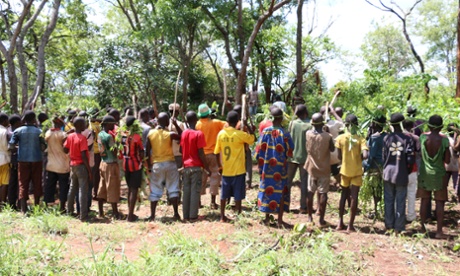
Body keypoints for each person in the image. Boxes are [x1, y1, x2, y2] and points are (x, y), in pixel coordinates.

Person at [257, 107, 294, 227]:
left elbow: (260, 149)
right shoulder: (285, 133)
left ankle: (267, 217)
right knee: (280, 191)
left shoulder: (265, 132)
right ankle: (279, 219)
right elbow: (290, 149)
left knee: (268, 189)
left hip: (267, 167)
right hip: (280, 167)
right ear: (282, 119)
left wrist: (261, 164)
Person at [215, 111, 255, 222]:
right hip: (238, 170)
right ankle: (238, 214)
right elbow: (252, 139)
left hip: (226, 170)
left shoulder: (221, 134)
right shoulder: (239, 134)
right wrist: (248, 126)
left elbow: (216, 152)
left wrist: (219, 166)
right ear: (237, 122)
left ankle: (222, 216)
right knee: (238, 194)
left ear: (227, 121)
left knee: (224, 194)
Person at [417, 115, 450, 239]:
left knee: (424, 201)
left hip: (425, 173)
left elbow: (420, 153)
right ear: (441, 127)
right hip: (439, 174)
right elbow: (447, 160)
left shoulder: (423, 137)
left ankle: (422, 229)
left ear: (429, 125)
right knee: (439, 202)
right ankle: (439, 231)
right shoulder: (444, 140)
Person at [382, 113, 415, 234]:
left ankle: (388, 225)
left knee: (388, 199)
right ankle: (399, 227)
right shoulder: (407, 139)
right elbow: (410, 160)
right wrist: (407, 171)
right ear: (402, 123)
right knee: (400, 200)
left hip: (388, 173)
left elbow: (384, 157)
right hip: (401, 174)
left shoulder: (386, 138)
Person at [146, 112, 182, 221]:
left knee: (155, 190)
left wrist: (148, 166)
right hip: (170, 164)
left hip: (157, 165)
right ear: (167, 122)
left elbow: (147, 152)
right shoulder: (169, 134)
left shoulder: (150, 134)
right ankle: (176, 213)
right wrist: (175, 124)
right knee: (173, 188)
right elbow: (182, 136)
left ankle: (152, 215)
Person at [335, 114, 368, 232]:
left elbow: (339, 156)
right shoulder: (361, 139)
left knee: (343, 196)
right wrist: (357, 159)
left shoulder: (340, 138)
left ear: (346, 125)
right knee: (354, 197)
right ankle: (350, 225)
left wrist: (346, 158)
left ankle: (340, 223)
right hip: (357, 171)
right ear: (357, 125)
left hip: (344, 171)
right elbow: (365, 155)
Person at [9, 111, 45, 213]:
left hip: (23, 160)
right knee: (37, 183)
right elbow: (43, 147)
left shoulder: (18, 131)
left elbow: (11, 146)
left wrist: (19, 148)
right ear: (34, 120)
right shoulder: (39, 131)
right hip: (36, 160)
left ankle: (23, 209)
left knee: (23, 184)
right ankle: (37, 207)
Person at [305, 113, 334, 226]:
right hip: (324, 168)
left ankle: (309, 217)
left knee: (310, 192)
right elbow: (332, 149)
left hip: (311, 168)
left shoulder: (308, 134)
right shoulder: (327, 137)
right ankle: (321, 219)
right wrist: (328, 134)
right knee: (323, 193)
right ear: (322, 123)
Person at [180, 111, 210, 221]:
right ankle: (193, 216)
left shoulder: (183, 134)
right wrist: (207, 167)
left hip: (186, 167)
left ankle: (186, 215)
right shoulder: (199, 134)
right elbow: (201, 152)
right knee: (195, 191)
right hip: (196, 167)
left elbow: (180, 149)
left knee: (186, 191)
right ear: (196, 120)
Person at [196, 103, 226, 209]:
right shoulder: (216, 122)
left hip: (202, 155)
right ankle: (213, 202)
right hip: (214, 154)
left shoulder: (197, 124)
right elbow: (229, 125)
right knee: (215, 176)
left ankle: (198, 201)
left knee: (202, 177)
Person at [64, 117, 92, 221]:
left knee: (72, 189)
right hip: (81, 166)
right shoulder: (82, 138)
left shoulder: (70, 136)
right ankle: (83, 216)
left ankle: (69, 211)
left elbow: (65, 150)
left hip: (72, 165)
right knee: (82, 191)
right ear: (80, 125)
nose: (85, 125)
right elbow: (84, 155)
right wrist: (89, 170)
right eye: (84, 123)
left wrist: (68, 136)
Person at [96, 115, 122, 219]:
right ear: (107, 124)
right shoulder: (109, 137)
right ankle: (115, 212)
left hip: (103, 163)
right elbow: (114, 151)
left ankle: (101, 211)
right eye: (112, 123)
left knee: (102, 187)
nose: (114, 125)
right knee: (112, 187)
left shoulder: (100, 134)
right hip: (111, 164)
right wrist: (118, 144)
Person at [286, 104, 311, 213]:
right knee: (304, 183)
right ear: (305, 113)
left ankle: (285, 205)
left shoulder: (292, 124)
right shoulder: (309, 125)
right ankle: (303, 206)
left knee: (287, 182)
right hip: (304, 158)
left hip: (291, 157)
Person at [44, 117, 70, 211]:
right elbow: (65, 149)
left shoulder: (48, 133)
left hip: (51, 164)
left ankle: (47, 205)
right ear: (60, 124)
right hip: (62, 165)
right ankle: (62, 207)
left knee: (50, 185)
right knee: (63, 186)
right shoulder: (63, 135)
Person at [121, 116, 144, 222]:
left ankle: (130, 213)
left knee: (130, 188)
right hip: (135, 165)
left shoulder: (122, 135)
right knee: (134, 189)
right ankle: (130, 215)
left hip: (125, 164)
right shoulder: (136, 137)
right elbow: (141, 152)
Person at [363, 115, 387, 218]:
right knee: (381, 190)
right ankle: (382, 210)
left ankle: (377, 211)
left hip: (375, 166)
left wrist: (367, 167)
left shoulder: (375, 137)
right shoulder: (387, 135)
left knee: (376, 190)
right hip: (384, 166)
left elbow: (371, 155)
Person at [403, 120, 421, 223]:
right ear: (412, 126)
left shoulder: (399, 136)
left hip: (400, 170)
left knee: (400, 194)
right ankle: (411, 216)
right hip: (413, 169)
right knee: (411, 194)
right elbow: (419, 152)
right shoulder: (415, 138)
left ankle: (399, 215)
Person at [7, 114, 21, 210]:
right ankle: (13, 203)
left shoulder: (8, 131)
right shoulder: (13, 133)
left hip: (10, 160)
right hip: (14, 160)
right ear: (16, 123)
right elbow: (11, 147)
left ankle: (13, 202)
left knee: (13, 182)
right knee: (15, 182)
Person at [445, 123, 459, 198]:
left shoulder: (445, 139)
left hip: (446, 165)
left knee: (444, 184)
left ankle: (445, 197)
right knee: (456, 183)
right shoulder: (456, 140)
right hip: (456, 166)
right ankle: (457, 196)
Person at [0, 113, 10, 206]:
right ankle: (2, 203)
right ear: (4, 121)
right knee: (4, 182)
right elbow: (8, 146)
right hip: (4, 159)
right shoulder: (5, 132)